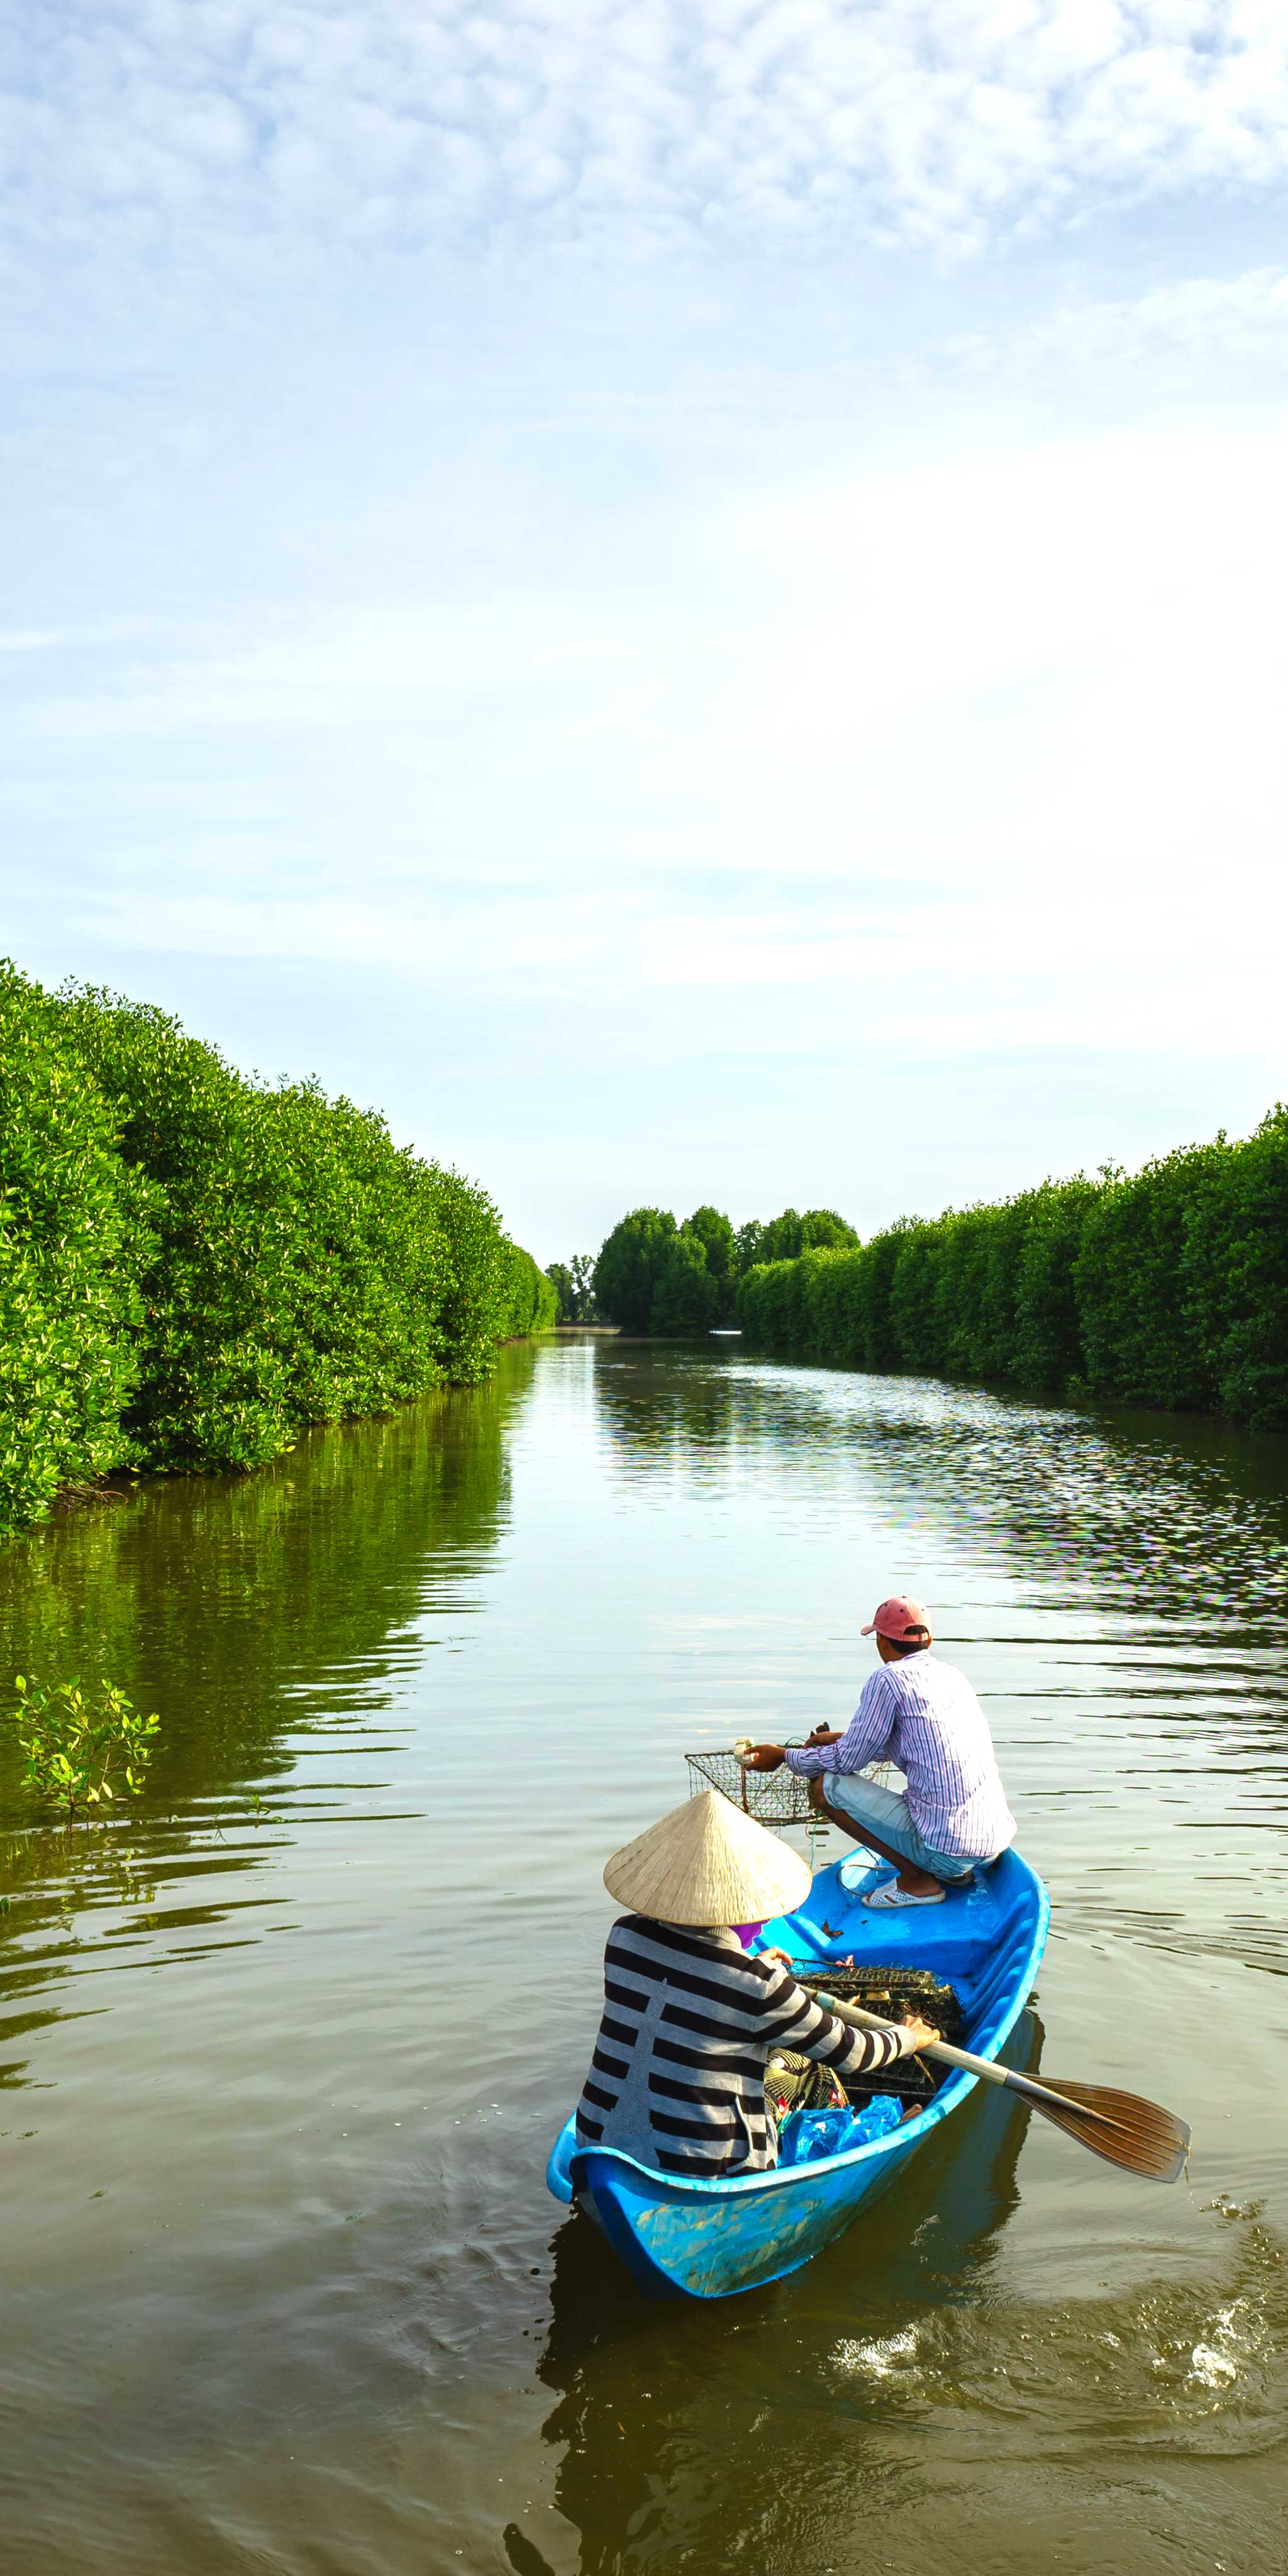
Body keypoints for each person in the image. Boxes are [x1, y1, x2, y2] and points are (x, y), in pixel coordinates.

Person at [574, 1787, 938, 2177]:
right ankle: (855, 2142)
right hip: (705, 2165)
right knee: (802, 2067)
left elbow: (690, 1974)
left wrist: (747, 1963)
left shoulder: (624, 1938)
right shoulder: (758, 1986)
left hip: (596, 2140)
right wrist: (909, 2037)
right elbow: (851, 2052)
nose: (764, 1919)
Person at [743, 1592, 1016, 1910]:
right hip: (993, 1845)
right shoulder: (952, 1676)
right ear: (928, 1641)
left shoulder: (888, 1679)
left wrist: (784, 1756)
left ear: (883, 1642)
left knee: (824, 1787)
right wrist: (845, 1737)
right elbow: (917, 1740)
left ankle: (918, 1881)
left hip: (949, 1851)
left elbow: (847, 1761)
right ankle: (949, 1870)